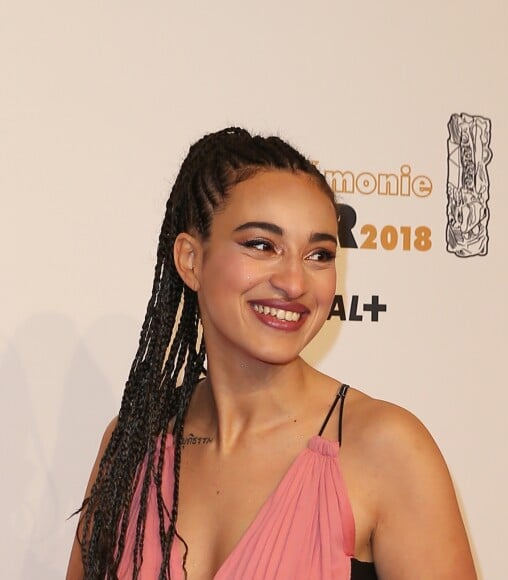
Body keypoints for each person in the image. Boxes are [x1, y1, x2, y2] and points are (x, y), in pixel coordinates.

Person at [66, 127, 477, 579]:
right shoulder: (133, 442)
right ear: (190, 260)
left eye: (319, 254)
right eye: (262, 245)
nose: (295, 282)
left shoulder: (387, 449)